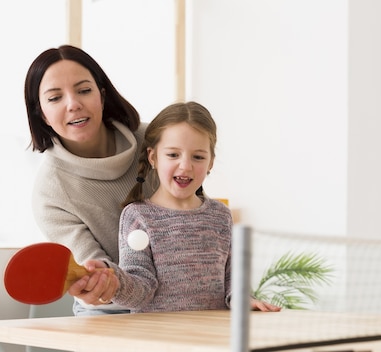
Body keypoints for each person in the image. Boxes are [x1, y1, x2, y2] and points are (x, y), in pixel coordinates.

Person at [94, 101, 280, 312]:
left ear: (210, 163)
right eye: (173, 155)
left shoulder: (220, 215)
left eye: (198, 157)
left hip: (211, 336)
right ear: (153, 157)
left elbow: (233, 278)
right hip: (160, 338)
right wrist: (113, 281)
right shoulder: (137, 216)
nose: (185, 166)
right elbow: (140, 288)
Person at [24, 45, 155, 315]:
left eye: (84, 90)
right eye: (55, 98)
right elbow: (91, 264)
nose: (73, 104)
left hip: (184, 295)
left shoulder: (156, 143)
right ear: (41, 114)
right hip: (113, 309)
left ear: (102, 96)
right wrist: (99, 281)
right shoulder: (49, 192)